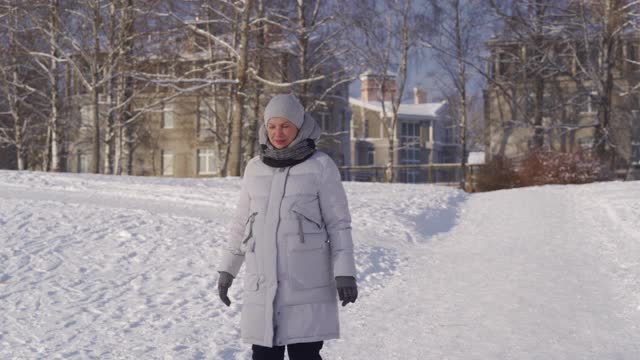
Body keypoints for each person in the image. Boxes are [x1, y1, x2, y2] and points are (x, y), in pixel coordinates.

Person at [217, 93, 358, 360]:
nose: (277, 133)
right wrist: (227, 269)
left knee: (304, 355)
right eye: (272, 126)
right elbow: (241, 223)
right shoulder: (254, 168)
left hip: (306, 283)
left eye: (285, 126)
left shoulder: (321, 166)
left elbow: (338, 224)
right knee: (263, 354)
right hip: (263, 282)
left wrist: (345, 273)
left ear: (299, 127)